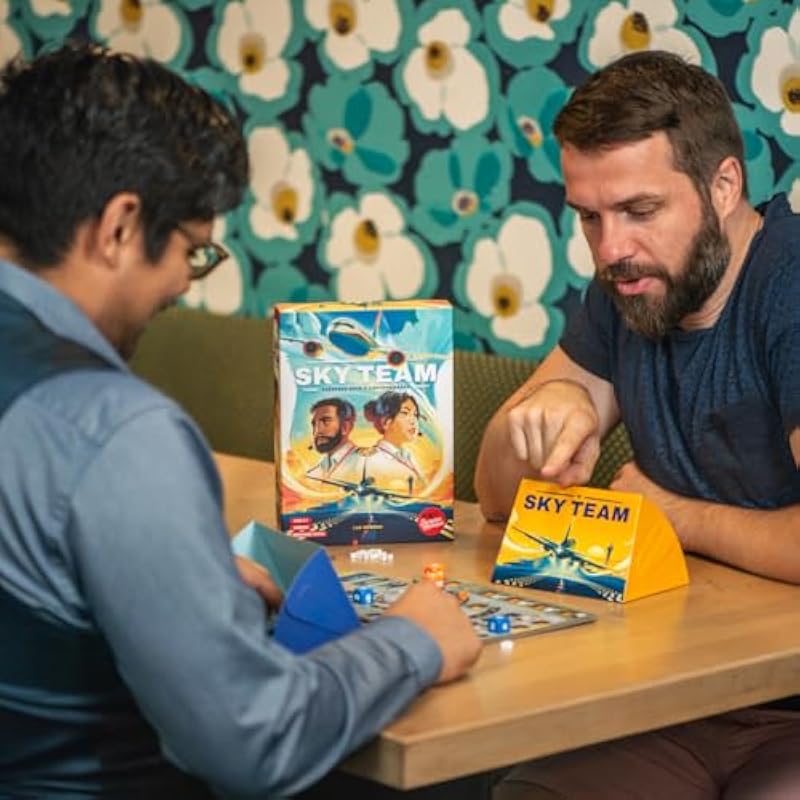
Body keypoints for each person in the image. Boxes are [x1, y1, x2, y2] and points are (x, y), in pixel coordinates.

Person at [0, 42, 481, 798]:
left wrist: (168, 575)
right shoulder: (119, 432)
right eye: (193, 253)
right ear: (120, 226)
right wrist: (413, 639)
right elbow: (253, 741)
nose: (182, 287)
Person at [475, 50, 800, 799]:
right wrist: (548, 410)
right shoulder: (632, 285)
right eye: (589, 217)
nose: (610, 249)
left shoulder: (789, 285)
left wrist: (675, 517)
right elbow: (495, 497)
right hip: (666, 701)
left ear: (723, 186)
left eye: (639, 211)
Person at [362, 390, 427, 496]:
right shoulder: (372, 459)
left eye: (415, 415)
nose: (413, 421)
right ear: (386, 422)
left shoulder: (408, 456)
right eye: (405, 413)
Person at [305, 396, 365, 484]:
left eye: (326, 421)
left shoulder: (365, 463)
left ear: (345, 427)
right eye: (314, 424)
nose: (317, 431)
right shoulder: (313, 474)